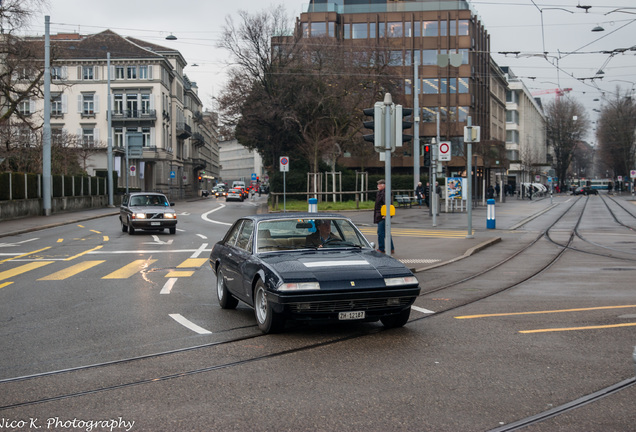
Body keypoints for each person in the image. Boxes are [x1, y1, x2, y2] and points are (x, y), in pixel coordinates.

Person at [373, 179, 394, 254]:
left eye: (379, 185)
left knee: (380, 232)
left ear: (383, 185)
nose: (377, 186)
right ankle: (391, 248)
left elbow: (387, 204)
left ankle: (381, 248)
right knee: (386, 232)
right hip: (382, 214)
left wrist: (385, 214)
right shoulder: (382, 192)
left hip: (382, 215)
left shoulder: (383, 193)